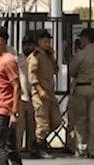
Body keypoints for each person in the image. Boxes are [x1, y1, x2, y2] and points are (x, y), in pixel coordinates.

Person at [68, 27, 94, 159]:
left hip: (81, 87)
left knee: (81, 120)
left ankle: (82, 147)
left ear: (86, 38)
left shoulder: (80, 54)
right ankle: (93, 148)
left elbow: (72, 72)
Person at [0, 25, 22, 165]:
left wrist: (14, 113)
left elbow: (16, 86)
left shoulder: (8, 60)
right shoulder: (0, 60)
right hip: (0, 106)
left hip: (5, 110)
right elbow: (3, 87)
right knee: (10, 148)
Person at [28, 30, 59, 158]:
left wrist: (52, 56)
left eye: (49, 41)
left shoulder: (47, 55)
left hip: (49, 92)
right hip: (40, 93)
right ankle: (39, 147)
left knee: (56, 120)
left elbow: (55, 70)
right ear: (39, 42)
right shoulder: (35, 56)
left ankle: (39, 141)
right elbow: (32, 75)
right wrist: (39, 90)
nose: (48, 44)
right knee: (42, 122)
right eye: (45, 41)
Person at [17, 34, 42, 159]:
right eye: (24, 45)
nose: (26, 47)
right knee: (20, 126)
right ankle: (18, 149)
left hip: (35, 96)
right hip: (21, 96)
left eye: (29, 45)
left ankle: (32, 148)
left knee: (33, 125)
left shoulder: (37, 58)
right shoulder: (19, 59)